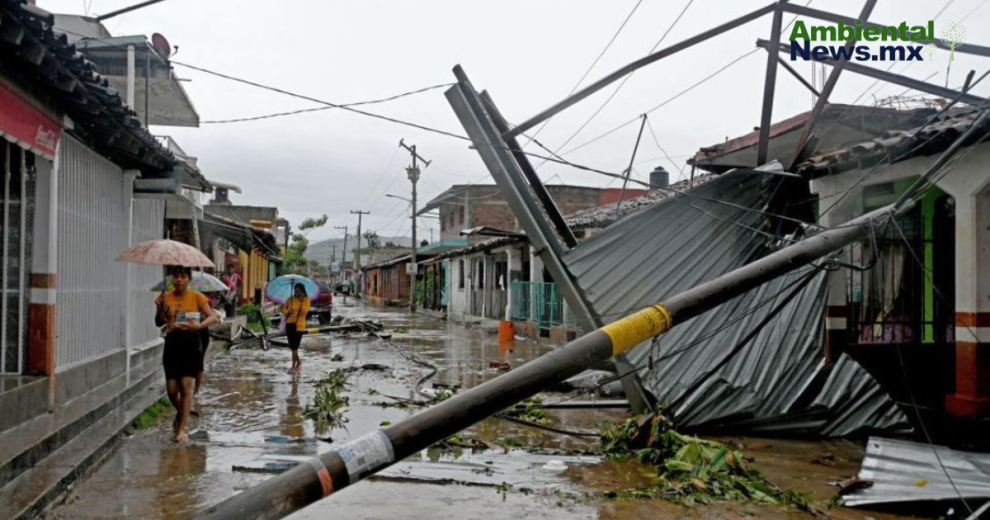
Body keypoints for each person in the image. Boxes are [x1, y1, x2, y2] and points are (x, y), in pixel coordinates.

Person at [155, 266, 218, 442]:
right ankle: (182, 413)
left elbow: (212, 316)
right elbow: (158, 322)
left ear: (189, 279)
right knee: (172, 390)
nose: (179, 280)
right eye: (176, 276)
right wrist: (161, 310)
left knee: (186, 387)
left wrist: (199, 326)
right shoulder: (165, 297)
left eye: (182, 276)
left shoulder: (197, 296)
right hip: (172, 343)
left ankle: (181, 429)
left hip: (190, 342)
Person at [281, 283, 310, 375]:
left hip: (299, 326)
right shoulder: (291, 299)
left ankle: (293, 366)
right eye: (295, 291)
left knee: (295, 346)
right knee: (292, 346)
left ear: (302, 291)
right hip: (289, 324)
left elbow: (304, 312)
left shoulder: (306, 300)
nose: (297, 293)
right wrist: (287, 311)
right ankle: (299, 361)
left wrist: (301, 301)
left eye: (299, 291)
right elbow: (283, 308)